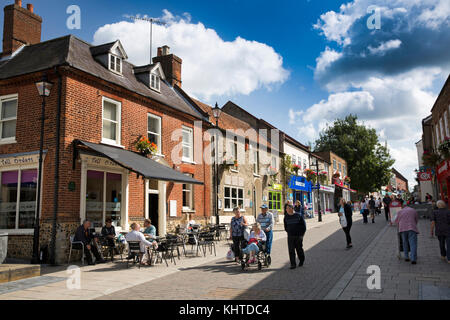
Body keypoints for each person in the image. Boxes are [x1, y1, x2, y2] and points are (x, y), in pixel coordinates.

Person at [284, 203, 306, 269]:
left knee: (299, 249)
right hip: (290, 236)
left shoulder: (298, 215)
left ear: (291, 208)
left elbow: (304, 226)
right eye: (286, 208)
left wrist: (301, 234)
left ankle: (301, 260)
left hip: (298, 236)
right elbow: (286, 226)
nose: (286, 210)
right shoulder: (286, 217)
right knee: (291, 250)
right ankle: (293, 264)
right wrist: (288, 231)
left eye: (287, 208)